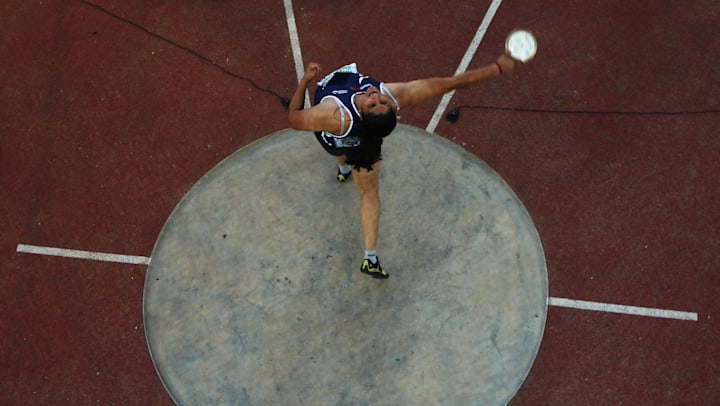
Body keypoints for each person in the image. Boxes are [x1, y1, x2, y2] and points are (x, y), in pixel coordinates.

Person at [288, 53, 521, 279]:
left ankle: (346, 178)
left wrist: (306, 80)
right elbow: (450, 83)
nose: (376, 96)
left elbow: (294, 118)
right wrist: (496, 69)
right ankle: (367, 249)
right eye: (382, 102)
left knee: (347, 162)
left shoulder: (334, 115)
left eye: (374, 103)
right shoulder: (394, 96)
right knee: (362, 179)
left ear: (362, 112)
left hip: (333, 138)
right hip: (353, 142)